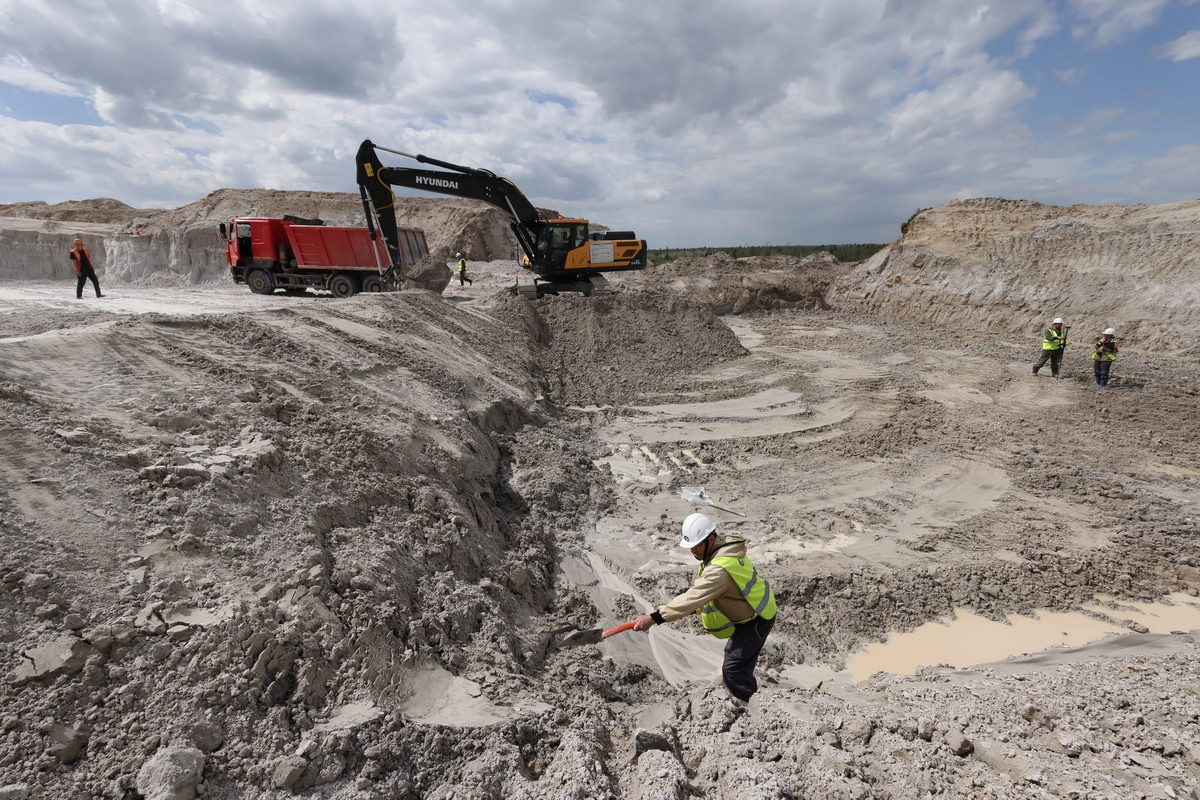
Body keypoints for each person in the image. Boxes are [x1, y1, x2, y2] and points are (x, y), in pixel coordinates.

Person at [633, 513, 778, 703]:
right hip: (751, 611)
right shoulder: (724, 550)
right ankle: (750, 695)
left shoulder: (719, 569)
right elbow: (720, 593)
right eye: (691, 547)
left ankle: (753, 705)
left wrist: (654, 618)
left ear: (710, 539)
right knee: (736, 663)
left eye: (697, 545)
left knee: (733, 670)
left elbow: (692, 597)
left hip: (757, 618)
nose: (693, 551)